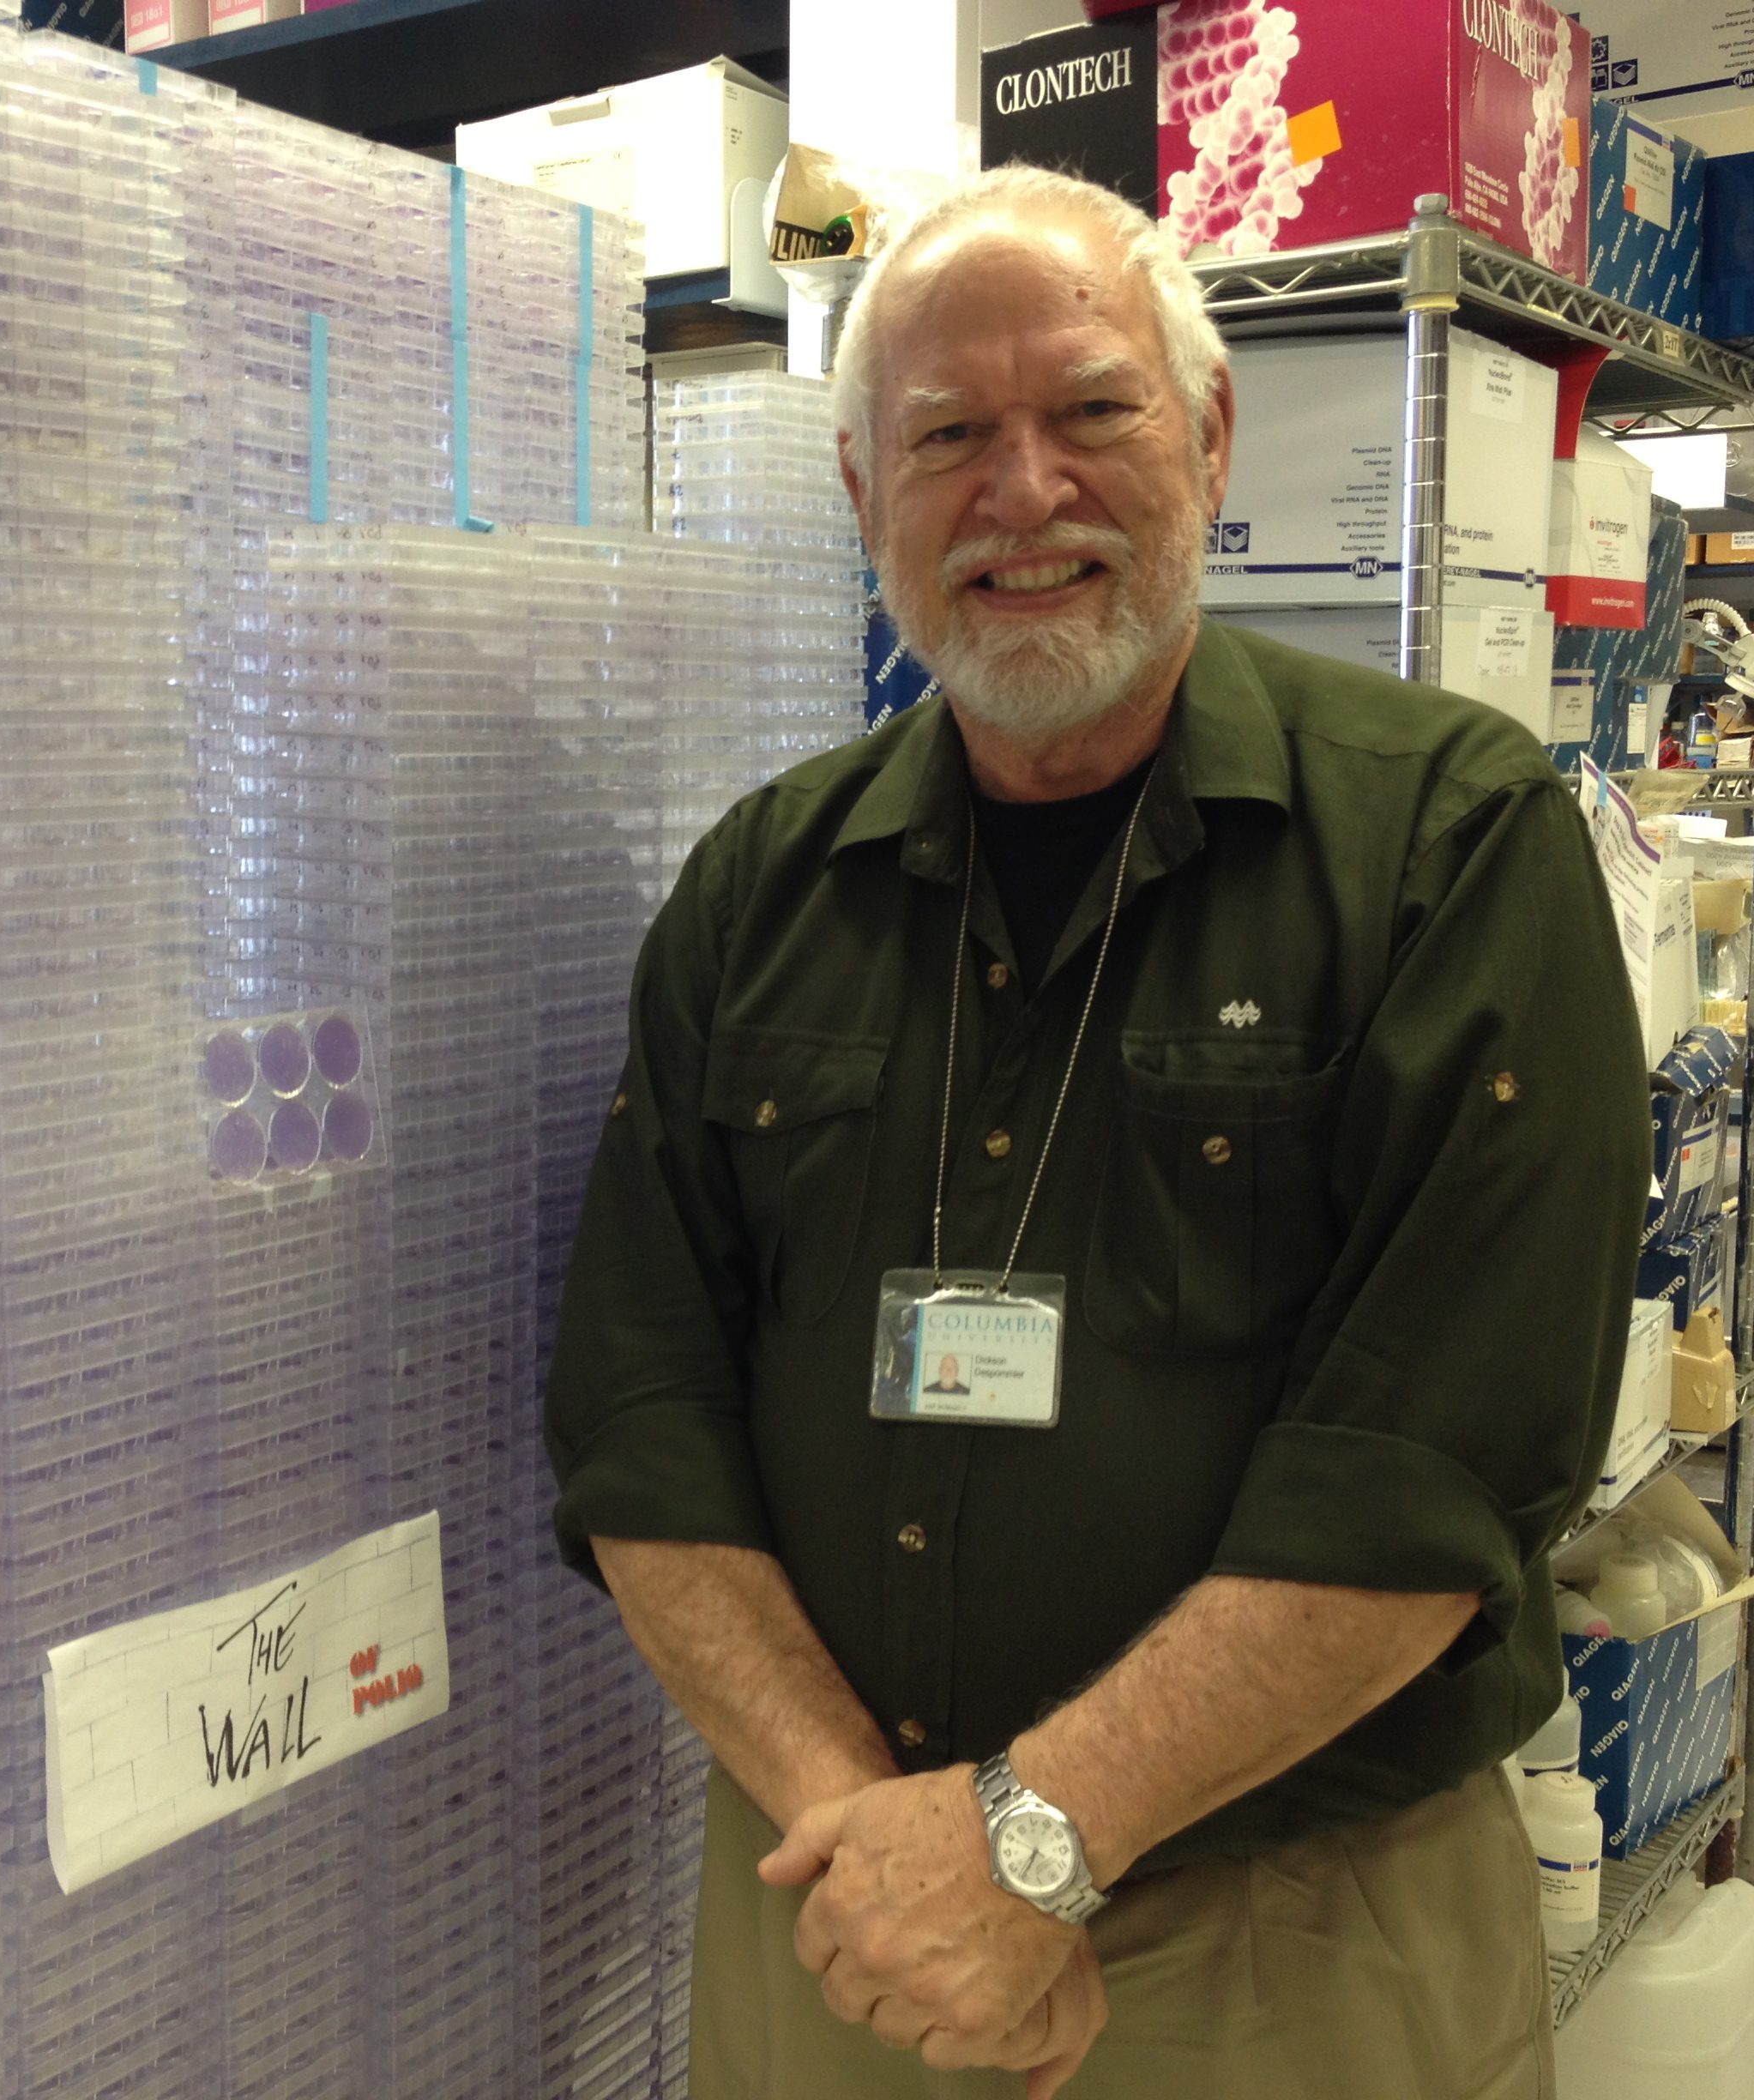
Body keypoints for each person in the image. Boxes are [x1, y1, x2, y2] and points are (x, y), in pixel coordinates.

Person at [542, 163, 1649, 2099]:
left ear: (1209, 439)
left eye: (1092, 410)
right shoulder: (758, 890)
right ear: (863, 493)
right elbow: (643, 1420)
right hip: (837, 1914)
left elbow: (1434, 1469)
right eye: (946, 436)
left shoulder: (1448, 844)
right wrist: (880, 1845)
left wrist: (1029, 1842)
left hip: (1289, 1937)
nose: (1024, 490)